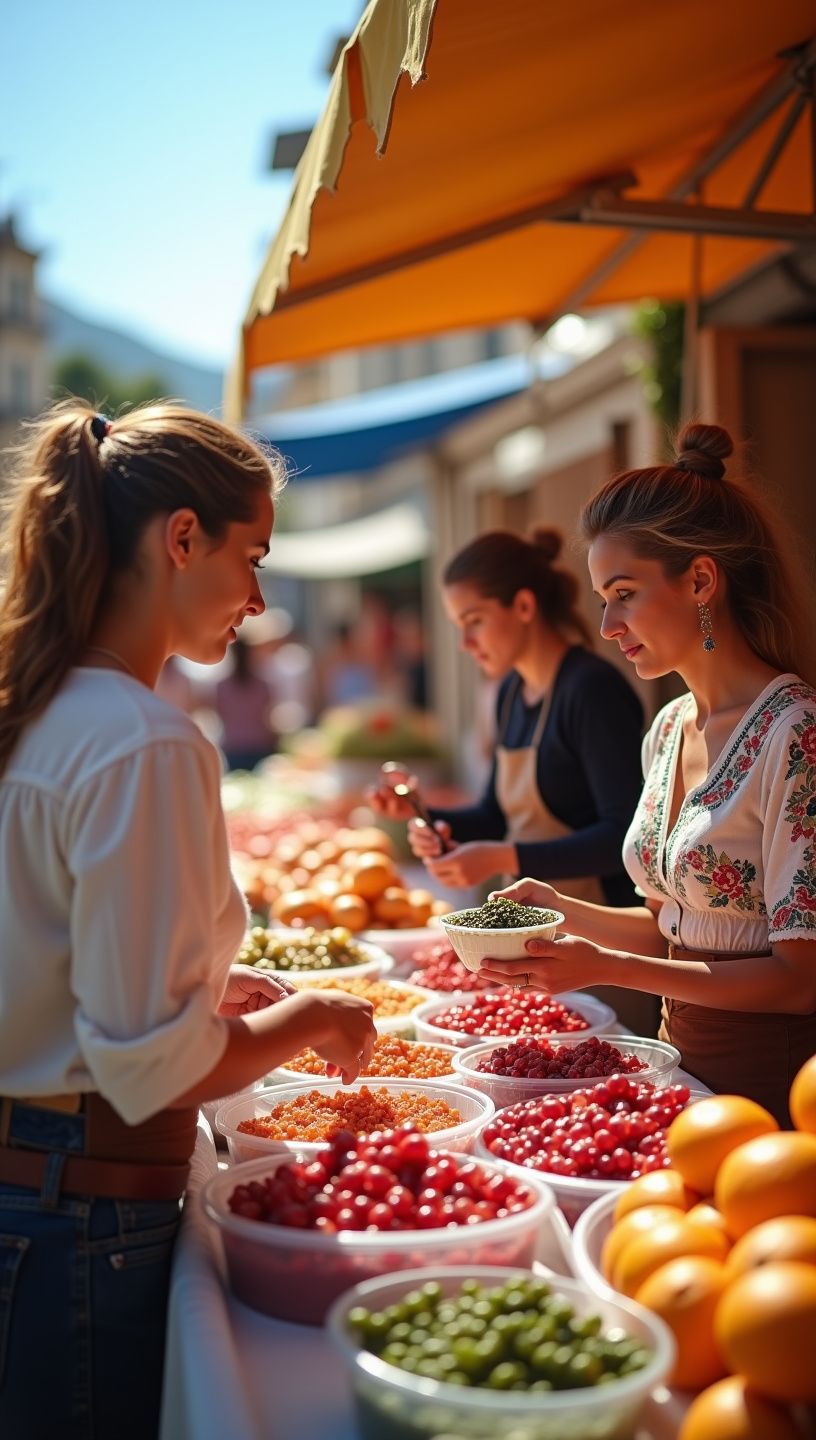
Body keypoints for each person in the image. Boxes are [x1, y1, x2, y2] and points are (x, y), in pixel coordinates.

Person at [0, 401, 376, 1440]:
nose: (257, 597)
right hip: (81, 1211)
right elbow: (149, 1067)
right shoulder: (146, 742)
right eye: (250, 556)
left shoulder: (40, 707)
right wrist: (309, 1019)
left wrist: (205, 998)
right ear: (180, 538)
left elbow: (51, 962)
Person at [478, 423, 816, 1127]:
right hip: (677, 1073)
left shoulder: (796, 733)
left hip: (775, 1096)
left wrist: (602, 966)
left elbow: (798, 981)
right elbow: (671, 923)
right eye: (605, 596)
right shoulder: (667, 729)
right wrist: (556, 910)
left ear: (699, 580)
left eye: (624, 593)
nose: (607, 624)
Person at [370, 527, 645, 908]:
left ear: (524, 607)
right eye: (459, 627)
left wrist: (502, 858)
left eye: (475, 621)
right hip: (535, 927)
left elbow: (627, 838)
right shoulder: (511, 692)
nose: (466, 643)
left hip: (602, 933)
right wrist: (420, 810)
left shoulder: (590, 690)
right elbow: (495, 817)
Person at [215, 634, 277, 771]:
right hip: (259, 744)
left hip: (234, 745)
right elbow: (268, 715)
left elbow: (220, 713)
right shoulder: (263, 684)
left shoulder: (222, 686)